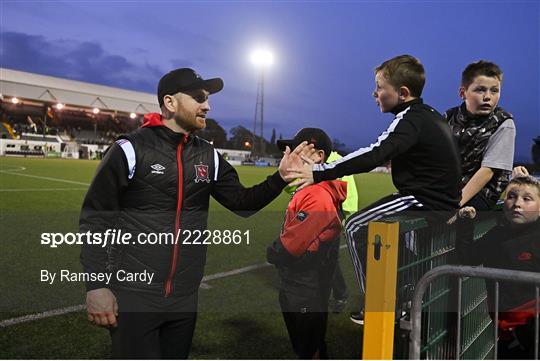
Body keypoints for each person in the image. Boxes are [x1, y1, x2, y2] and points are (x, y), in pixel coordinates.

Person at [79, 68, 301, 359]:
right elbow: (95, 220)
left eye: (207, 99)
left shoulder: (208, 155)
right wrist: (97, 286)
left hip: (184, 298)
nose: (206, 106)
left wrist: (279, 178)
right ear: (170, 103)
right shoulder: (130, 149)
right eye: (198, 98)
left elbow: (242, 203)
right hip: (134, 295)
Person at [285, 55, 461, 324]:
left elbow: (376, 154)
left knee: (355, 225)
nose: (374, 93)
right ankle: (404, 293)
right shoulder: (429, 116)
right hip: (440, 200)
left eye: (379, 87)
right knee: (402, 246)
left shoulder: (410, 118)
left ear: (402, 93)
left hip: (423, 198)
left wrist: (319, 172)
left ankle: (379, 304)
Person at [267, 128, 347, 358]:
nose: (289, 157)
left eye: (296, 151)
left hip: (303, 284)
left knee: (307, 347)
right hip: (306, 282)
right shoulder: (313, 190)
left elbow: (292, 245)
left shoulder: (316, 194)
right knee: (309, 342)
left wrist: (272, 252)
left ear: (319, 156)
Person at [456, 174, 540, 359]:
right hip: (506, 334)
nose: (517, 203)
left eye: (527, 199)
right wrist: (465, 224)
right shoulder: (496, 236)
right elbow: (468, 258)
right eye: (511, 196)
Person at [445, 61, 516, 253]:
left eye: (494, 91)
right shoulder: (447, 118)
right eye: (480, 90)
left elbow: (487, 172)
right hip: (450, 191)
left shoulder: (504, 123)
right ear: (463, 93)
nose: (488, 97)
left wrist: (455, 204)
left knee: (446, 231)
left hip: (481, 194)